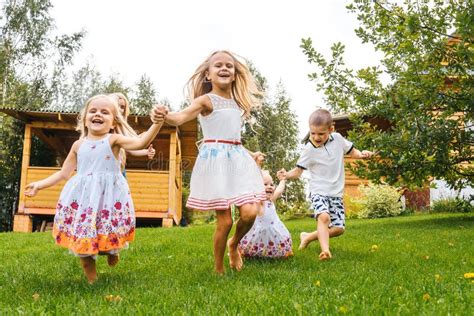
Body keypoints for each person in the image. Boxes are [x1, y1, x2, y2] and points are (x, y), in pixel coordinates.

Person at [24, 94, 165, 283]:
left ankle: (112, 250)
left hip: (108, 200)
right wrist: (39, 184)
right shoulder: (78, 145)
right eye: (93, 111)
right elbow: (63, 174)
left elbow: (140, 143)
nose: (98, 114)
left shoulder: (114, 140)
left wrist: (156, 123)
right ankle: (93, 281)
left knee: (106, 238)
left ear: (114, 122)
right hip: (84, 201)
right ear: (84, 119)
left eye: (104, 112)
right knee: (83, 239)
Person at [150, 50, 266, 274]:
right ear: (208, 75)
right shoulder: (205, 100)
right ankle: (219, 268)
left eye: (229, 66)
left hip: (238, 160)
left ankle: (234, 244)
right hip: (216, 164)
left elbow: (233, 136)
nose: (224, 69)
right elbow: (179, 117)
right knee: (225, 221)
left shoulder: (236, 103)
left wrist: (250, 154)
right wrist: (163, 114)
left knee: (250, 212)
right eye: (218, 66)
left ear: (234, 74)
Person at [277, 109, 373, 261]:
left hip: (335, 193)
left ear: (331, 129)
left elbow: (352, 151)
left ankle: (308, 237)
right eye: (313, 133)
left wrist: (362, 154)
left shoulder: (338, 139)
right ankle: (325, 251)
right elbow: (298, 171)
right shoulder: (309, 149)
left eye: (321, 134)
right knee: (324, 218)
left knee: (338, 229)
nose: (316, 137)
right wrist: (287, 175)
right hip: (318, 191)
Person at [238, 169, 293, 258]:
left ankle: (272, 252)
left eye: (271, 184)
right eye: (265, 184)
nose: (270, 186)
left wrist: (283, 180)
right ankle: (254, 252)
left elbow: (279, 190)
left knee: (276, 252)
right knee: (253, 252)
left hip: (274, 235)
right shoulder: (257, 202)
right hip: (257, 235)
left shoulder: (271, 200)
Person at [109, 92, 155, 175]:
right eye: (117, 105)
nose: (120, 109)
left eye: (122, 107)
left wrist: (146, 152)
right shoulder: (99, 128)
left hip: (118, 171)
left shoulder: (120, 133)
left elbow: (130, 149)